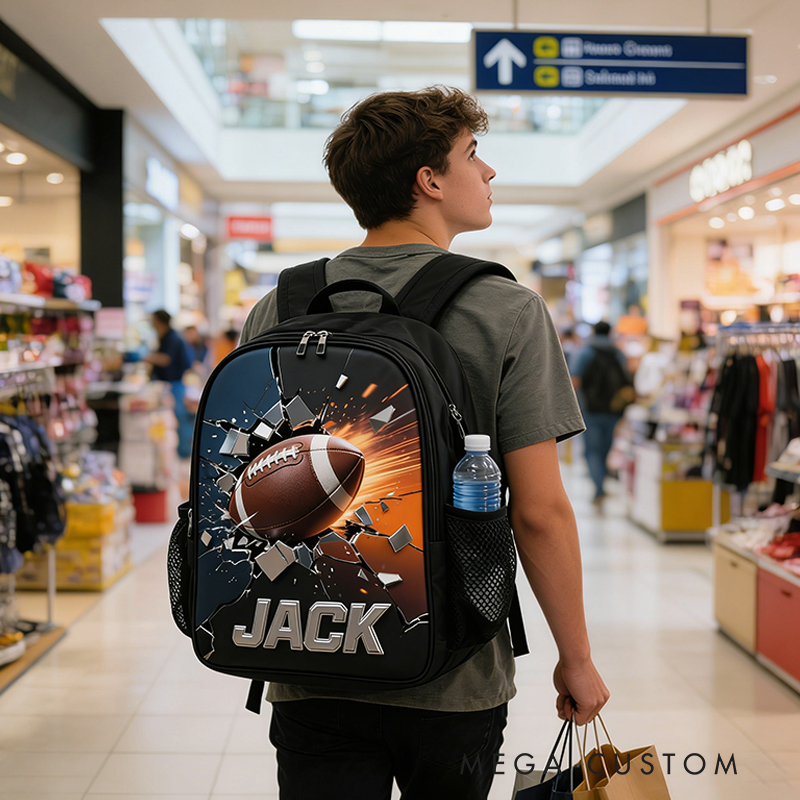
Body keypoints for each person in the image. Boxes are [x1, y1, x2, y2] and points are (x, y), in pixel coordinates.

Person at [239, 86, 609, 800]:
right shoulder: (504, 308)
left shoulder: (281, 306)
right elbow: (539, 512)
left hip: (308, 649)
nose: (490, 172)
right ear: (429, 181)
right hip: (452, 664)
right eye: (474, 155)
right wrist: (577, 657)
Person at [571, 321, 635, 503]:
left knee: (592, 450)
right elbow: (628, 377)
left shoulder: (585, 351)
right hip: (614, 409)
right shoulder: (618, 352)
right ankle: (601, 483)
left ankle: (598, 487)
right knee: (606, 447)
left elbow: (575, 379)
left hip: (590, 410)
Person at [143, 309, 193, 458]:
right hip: (168, 384)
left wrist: (147, 357)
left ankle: (183, 452)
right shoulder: (165, 337)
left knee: (178, 418)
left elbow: (166, 359)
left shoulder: (172, 338)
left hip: (174, 384)